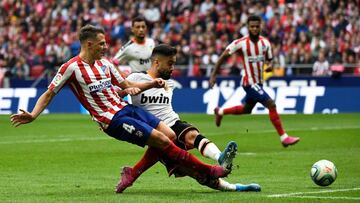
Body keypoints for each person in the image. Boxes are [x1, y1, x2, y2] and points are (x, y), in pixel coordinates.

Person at [10, 25, 229, 192]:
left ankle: (133, 173)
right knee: (162, 141)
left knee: (170, 135)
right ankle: (208, 170)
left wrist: (152, 83)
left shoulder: (106, 64)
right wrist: (33, 114)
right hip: (112, 120)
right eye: (102, 44)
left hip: (125, 109)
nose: (105, 47)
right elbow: (49, 93)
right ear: (88, 45)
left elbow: (127, 85)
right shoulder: (71, 68)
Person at [124, 44, 260, 192]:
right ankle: (233, 187)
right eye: (170, 63)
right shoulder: (135, 77)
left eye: (174, 63)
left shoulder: (168, 83)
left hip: (173, 123)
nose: (173, 68)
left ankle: (220, 156)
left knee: (192, 134)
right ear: (156, 62)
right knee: (195, 172)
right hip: (157, 133)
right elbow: (119, 94)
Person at [209, 15, 300, 147]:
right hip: (249, 83)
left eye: (257, 26)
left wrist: (269, 67)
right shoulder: (240, 43)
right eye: (252, 26)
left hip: (259, 82)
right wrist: (213, 75)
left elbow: (269, 61)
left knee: (247, 109)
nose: (255, 29)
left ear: (260, 26)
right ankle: (283, 137)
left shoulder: (265, 43)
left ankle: (220, 112)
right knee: (271, 104)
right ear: (248, 27)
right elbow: (223, 57)